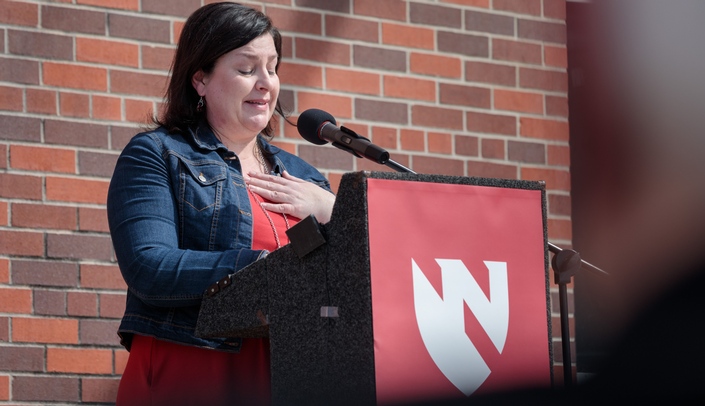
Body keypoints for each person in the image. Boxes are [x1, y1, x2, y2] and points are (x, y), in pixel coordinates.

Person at [106, 3, 335, 405]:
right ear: (200, 79)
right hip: (192, 371)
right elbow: (150, 267)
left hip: (290, 375)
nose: (266, 83)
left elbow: (341, 284)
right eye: (247, 69)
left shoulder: (306, 177)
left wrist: (334, 211)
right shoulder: (158, 154)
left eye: (273, 67)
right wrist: (261, 268)